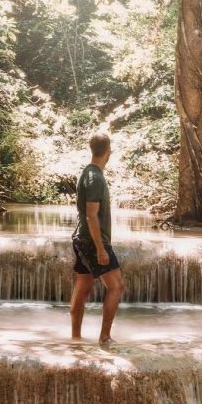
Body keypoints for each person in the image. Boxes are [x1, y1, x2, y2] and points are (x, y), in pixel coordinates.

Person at [70, 131, 124, 344]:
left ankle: (75, 338)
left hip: (82, 239)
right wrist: (101, 249)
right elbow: (92, 214)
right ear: (108, 151)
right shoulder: (94, 178)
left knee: (83, 287)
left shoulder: (88, 174)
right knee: (116, 286)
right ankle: (105, 337)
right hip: (92, 241)